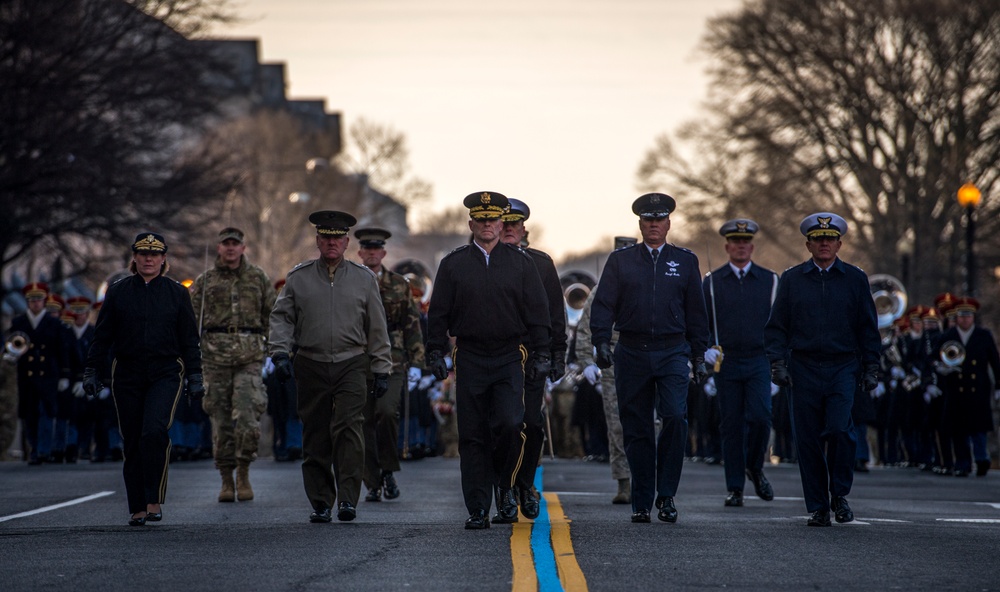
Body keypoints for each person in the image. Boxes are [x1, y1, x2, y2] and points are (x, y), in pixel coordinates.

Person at [425, 191, 551, 529]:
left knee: (511, 424)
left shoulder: (521, 263)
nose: (487, 225)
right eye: (480, 220)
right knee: (473, 434)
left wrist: (543, 354)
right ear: (471, 224)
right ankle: (478, 507)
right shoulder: (453, 264)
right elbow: (438, 314)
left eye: (492, 220)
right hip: (470, 355)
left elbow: (539, 313)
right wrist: (435, 351)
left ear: (500, 223)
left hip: (510, 355)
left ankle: (506, 484)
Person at [590, 193, 710, 524]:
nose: (653, 225)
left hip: (672, 351)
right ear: (640, 225)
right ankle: (642, 500)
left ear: (668, 224)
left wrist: (699, 353)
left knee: (674, 416)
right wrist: (600, 341)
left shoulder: (685, 261)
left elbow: (696, 312)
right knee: (637, 427)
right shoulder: (621, 261)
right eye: (647, 220)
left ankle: (667, 496)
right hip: (631, 350)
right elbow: (603, 305)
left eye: (659, 220)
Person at [268, 211, 393, 523]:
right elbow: (282, 317)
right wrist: (280, 353)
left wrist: (381, 367)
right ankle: (321, 501)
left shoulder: (365, 280)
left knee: (350, 429)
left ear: (347, 242)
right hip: (310, 362)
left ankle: (348, 500)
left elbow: (377, 327)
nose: (332, 243)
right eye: (326, 238)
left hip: (352, 362)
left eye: (338, 238)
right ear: (318, 241)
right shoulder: (299, 278)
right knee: (316, 433)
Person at [764, 213, 880, 527]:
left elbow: (868, 327)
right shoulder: (792, 279)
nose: (824, 244)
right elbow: (777, 327)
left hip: (842, 366)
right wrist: (777, 364)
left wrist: (872, 367)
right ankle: (818, 506)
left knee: (842, 430)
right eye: (818, 239)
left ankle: (839, 495)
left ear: (839, 244)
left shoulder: (855, 279)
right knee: (808, 439)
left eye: (829, 239)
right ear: (808, 244)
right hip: (803, 367)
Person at [83, 232, 203, 526]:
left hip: (165, 372)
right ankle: (136, 506)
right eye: (143, 253)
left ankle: (153, 499)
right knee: (133, 438)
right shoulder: (118, 291)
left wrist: (196, 375)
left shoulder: (177, 293)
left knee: (154, 431)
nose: (149, 259)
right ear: (133, 258)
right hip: (127, 372)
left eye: (155, 254)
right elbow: (102, 337)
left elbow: (189, 339)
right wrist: (92, 370)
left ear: (164, 260)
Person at [189, 227, 274, 503]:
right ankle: (226, 478)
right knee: (221, 421)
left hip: (249, 356)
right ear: (218, 248)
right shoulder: (206, 280)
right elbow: (191, 320)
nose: (230, 248)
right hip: (214, 357)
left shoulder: (258, 277)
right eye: (225, 244)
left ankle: (244, 472)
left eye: (235, 244)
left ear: (243, 247)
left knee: (248, 415)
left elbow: (272, 315)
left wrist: (273, 352)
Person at [702, 219, 779, 507]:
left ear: (752, 246)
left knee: (760, 418)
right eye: (735, 242)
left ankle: (754, 467)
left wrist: (777, 366)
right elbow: (702, 323)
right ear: (727, 247)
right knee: (731, 425)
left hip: (759, 360)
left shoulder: (770, 280)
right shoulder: (712, 282)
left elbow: (779, 325)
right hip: (727, 361)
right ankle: (735, 487)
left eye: (745, 242)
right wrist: (706, 349)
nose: (741, 246)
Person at [499, 198, 567, 521]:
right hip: (498, 354)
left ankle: (524, 484)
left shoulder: (541, 263)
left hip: (534, 355)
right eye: (504, 223)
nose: (510, 228)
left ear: (524, 228)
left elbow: (556, 314)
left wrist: (557, 355)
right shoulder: (485, 262)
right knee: (502, 426)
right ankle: (505, 490)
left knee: (533, 424)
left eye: (515, 224)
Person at [353, 227, 425, 503]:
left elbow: (412, 323)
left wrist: (417, 361)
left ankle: (388, 470)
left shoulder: (399, 284)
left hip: (393, 359)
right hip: (358, 359)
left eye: (376, 249)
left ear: (383, 253)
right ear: (360, 252)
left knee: (386, 412)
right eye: (367, 249)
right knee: (364, 421)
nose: (372, 253)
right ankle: (373, 480)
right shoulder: (351, 281)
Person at [932, 297, 1000, 477]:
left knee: (978, 427)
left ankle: (981, 458)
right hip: (956, 388)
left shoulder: (983, 335)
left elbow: (995, 361)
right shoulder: (947, 336)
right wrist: (943, 368)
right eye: (961, 316)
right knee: (958, 429)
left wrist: (999, 386)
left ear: (973, 317)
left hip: (978, 388)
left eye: (968, 316)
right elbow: (934, 359)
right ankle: (963, 463)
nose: (964, 319)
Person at [8, 282, 70, 465]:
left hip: (48, 376)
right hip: (27, 376)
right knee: (30, 415)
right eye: (32, 300)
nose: (36, 303)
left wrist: (65, 375)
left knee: (46, 413)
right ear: (27, 302)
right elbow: (12, 346)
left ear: (44, 301)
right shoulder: (19, 323)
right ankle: (34, 448)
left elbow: (62, 350)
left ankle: (43, 450)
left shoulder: (54, 323)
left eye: (39, 300)